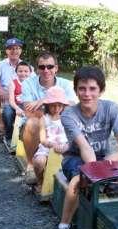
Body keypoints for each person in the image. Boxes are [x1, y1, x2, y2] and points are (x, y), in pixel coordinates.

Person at [54, 66, 118, 229]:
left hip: (105, 156)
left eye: (92, 89)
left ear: (101, 90)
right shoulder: (69, 114)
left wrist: (107, 165)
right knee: (77, 181)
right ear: (76, 91)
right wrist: (100, 173)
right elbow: (84, 147)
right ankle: (63, 227)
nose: (87, 94)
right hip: (76, 157)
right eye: (82, 88)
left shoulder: (111, 108)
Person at [21, 51, 76, 184]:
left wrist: (45, 100)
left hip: (60, 126)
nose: (46, 70)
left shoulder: (66, 84)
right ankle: (30, 165)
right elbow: (29, 112)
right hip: (36, 124)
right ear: (37, 69)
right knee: (33, 123)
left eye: (50, 66)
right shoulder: (28, 83)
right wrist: (56, 105)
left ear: (56, 68)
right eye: (42, 67)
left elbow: (72, 108)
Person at [32, 87, 69, 194]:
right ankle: (40, 180)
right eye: (53, 105)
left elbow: (72, 135)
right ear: (47, 105)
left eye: (59, 105)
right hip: (47, 147)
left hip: (65, 147)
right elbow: (42, 139)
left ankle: (65, 184)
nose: (56, 108)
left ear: (63, 106)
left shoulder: (66, 118)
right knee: (39, 162)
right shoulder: (44, 119)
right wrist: (51, 144)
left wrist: (67, 145)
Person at [0, 37, 23, 137]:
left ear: (20, 50)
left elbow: (33, 82)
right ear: (7, 51)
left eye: (17, 48)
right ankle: (0, 123)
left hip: (20, 95)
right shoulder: (0, 65)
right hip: (5, 94)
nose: (14, 51)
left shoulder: (26, 66)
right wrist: (2, 91)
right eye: (11, 48)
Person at [4, 61, 32, 145]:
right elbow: (11, 101)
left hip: (27, 105)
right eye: (20, 71)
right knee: (7, 113)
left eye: (26, 71)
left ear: (30, 73)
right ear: (16, 72)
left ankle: (28, 137)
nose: (23, 73)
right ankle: (9, 135)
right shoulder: (13, 83)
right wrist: (17, 108)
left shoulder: (32, 83)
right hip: (15, 105)